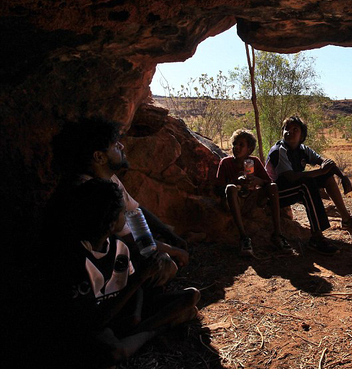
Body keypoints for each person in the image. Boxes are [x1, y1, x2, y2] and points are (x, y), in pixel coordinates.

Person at [44, 178, 200, 368]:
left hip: (125, 313)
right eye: (121, 213)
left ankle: (137, 333)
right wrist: (140, 277)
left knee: (191, 296)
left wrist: (136, 314)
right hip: (100, 322)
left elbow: (134, 289)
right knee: (112, 351)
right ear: (110, 223)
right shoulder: (76, 260)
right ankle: (155, 331)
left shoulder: (119, 247)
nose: (125, 216)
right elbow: (95, 321)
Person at [51, 117, 188, 284]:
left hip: (121, 246)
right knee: (164, 265)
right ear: (99, 157)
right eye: (115, 145)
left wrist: (170, 236)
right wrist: (173, 250)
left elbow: (135, 210)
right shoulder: (90, 192)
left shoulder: (110, 179)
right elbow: (129, 238)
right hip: (100, 263)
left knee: (161, 244)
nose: (122, 146)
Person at [266, 116, 352, 255]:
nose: (289, 132)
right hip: (275, 194)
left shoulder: (302, 149)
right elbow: (290, 177)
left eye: (294, 129)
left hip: (293, 188)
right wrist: (320, 171)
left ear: (302, 135)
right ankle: (316, 237)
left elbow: (326, 163)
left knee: (325, 176)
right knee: (307, 184)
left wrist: (342, 176)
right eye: (286, 129)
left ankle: (346, 219)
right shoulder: (279, 150)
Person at [216, 129, 292, 257]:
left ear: (249, 150)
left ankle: (277, 235)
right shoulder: (226, 162)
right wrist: (236, 182)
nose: (237, 147)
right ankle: (244, 238)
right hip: (236, 200)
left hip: (253, 198)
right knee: (230, 188)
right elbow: (218, 188)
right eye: (235, 144)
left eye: (241, 145)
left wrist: (258, 181)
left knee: (273, 187)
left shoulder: (254, 162)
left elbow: (268, 183)